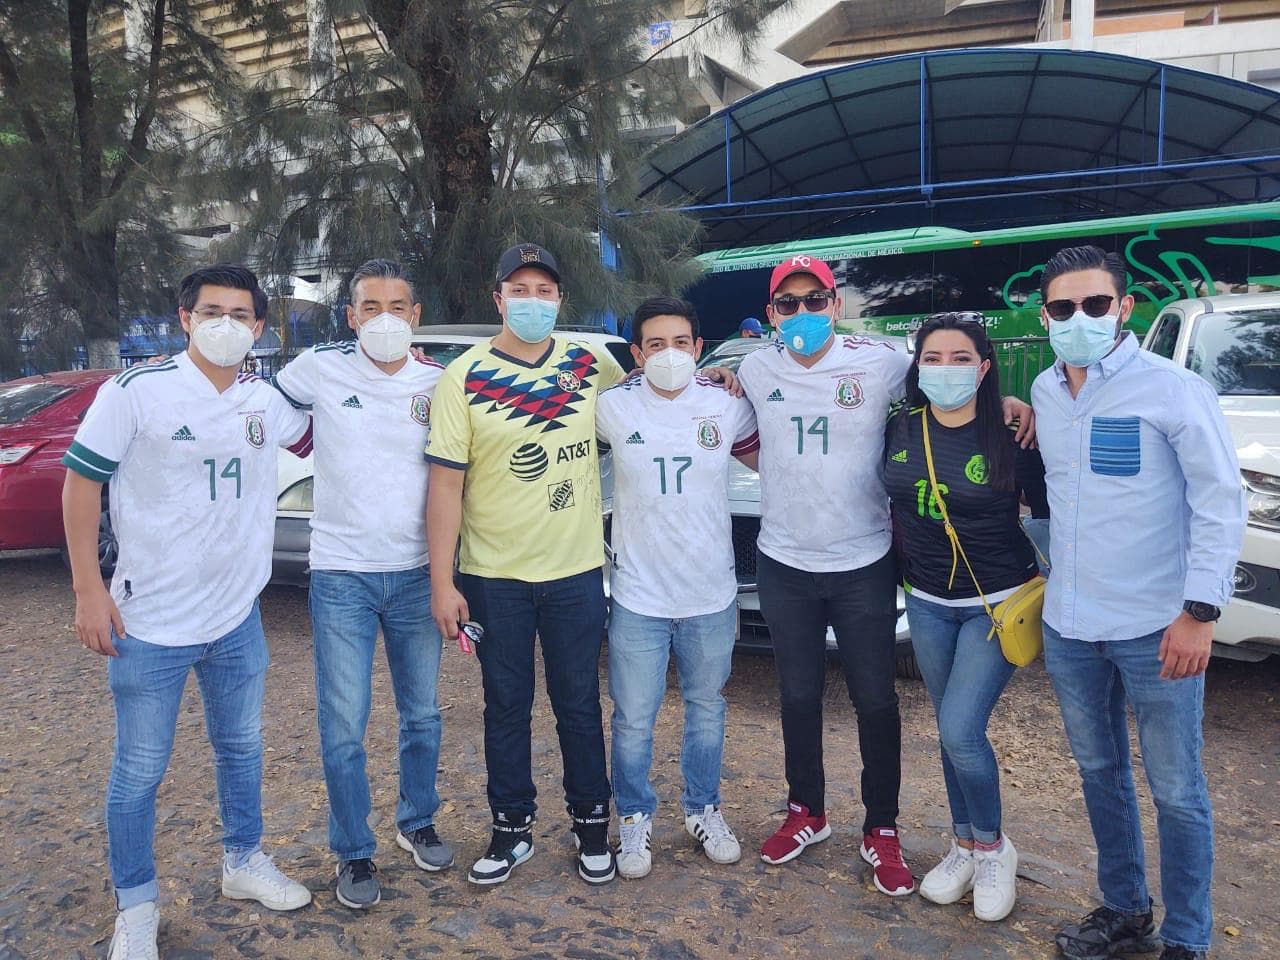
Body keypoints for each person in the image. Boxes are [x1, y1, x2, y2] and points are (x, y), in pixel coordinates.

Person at [737, 254, 1033, 898]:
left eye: (815, 301)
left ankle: (882, 829)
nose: (803, 314)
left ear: (835, 306)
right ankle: (806, 812)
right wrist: (783, 472)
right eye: (787, 304)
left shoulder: (880, 363)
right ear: (771, 314)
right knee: (797, 696)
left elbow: (947, 378)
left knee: (875, 700)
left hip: (864, 561)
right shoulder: (754, 368)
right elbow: (743, 435)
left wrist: (1002, 396)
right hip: (784, 561)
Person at [62, 265, 314, 960]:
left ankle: (243, 861)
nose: (227, 324)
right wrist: (89, 588)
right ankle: (137, 904)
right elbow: (81, 483)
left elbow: (331, 438)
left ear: (261, 328)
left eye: (241, 314)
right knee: (139, 771)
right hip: (149, 624)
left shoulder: (266, 399)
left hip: (236, 618)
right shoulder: (135, 392)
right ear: (184, 317)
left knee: (241, 749)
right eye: (213, 311)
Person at [1031, 245, 1244, 960]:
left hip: (1158, 629)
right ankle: (1125, 910)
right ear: (1045, 316)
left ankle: (1187, 938)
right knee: (1099, 775)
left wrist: (1200, 612)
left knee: (1178, 791)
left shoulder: (1173, 390)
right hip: (1069, 627)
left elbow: (1221, 503)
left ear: (1125, 308)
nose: (1080, 318)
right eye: (1064, 308)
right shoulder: (1045, 393)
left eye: (1096, 304)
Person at [424, 243, 625, 887]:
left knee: (579, 703)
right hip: (494, 577)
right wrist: (442, 581)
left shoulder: (591, 362)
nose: (533, 301)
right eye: (521, 288)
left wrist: (717, 379)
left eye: (545, 290)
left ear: (560, 299)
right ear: (498, 297)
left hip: (574, 571)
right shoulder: (464, 376)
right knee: (505, 704)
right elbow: (446, 486)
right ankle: (511, 829)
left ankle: (593, 826)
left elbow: (651, 404)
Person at [270, 258, 452, 909]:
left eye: (396, 306)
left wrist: (443, 574)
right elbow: (266, 412)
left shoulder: (440, 381)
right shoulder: (318, 368)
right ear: (350, 317)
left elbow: (457, 476)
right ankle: (353, 851)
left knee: (423, 714)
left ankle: (417, 819)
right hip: (341, 576)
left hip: (413, 577)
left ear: (415, 316)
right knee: (344, 723)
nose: (383, 319)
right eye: (369, 307)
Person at [884, 312, 1044, 922]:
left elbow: (1050, 511)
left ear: (983, 368)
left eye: (959, 359)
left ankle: (995, 846)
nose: (943, 369)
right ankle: (964, 843)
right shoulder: (900, 426)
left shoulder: (1011, 431)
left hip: (995, 605)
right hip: (925, 601)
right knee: (955, 735)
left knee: (958, 729)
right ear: (916, 366)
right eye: (931, 357)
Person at [596, 296, 760, 879]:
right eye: (655, 345)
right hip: (639, 595)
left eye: (681, 343)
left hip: (710, 595)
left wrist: (734, 374)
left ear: (698, 347)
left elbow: (782, 445)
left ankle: (702, 808)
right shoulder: (610, 407)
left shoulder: (726, 406)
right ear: (637, 354)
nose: (670, 354)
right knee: (634, 717)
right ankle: (634, 819)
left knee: (706, 709)